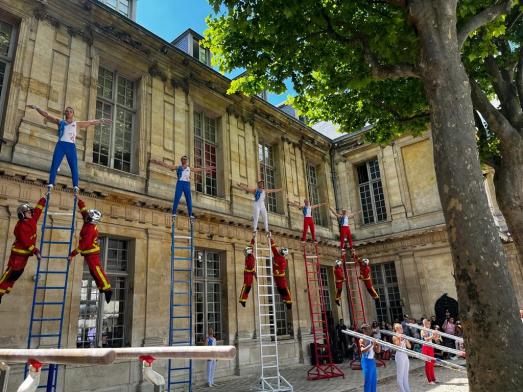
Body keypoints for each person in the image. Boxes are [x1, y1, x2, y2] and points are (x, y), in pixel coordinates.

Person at [26, 105, 112, 192]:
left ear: (73, 114)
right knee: (55, 164)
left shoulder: (77, 124)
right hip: (61, 145)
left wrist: (101, 121)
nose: (69, 112)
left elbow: (90, 122)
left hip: (71, 147)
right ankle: (51, 183)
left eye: (70, 111)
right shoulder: (60, 121)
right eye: (67, 111)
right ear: (65, 113)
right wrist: (36, 107)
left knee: (74, 167)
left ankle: (75, 185)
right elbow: (47, 115)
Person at [0, 196, 46, 302]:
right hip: (18, 255)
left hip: (25, 255)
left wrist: (44, 199)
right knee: (10, 273)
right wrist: (36, 251)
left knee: (17, 274)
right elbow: (26, 242)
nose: (30, 213)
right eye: (28, 212)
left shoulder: (32, 220)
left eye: (30, 212)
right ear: (22, 214)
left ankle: (3, 292)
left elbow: (38, 210)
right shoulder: (20, 226)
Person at [67, 199, 112, 304]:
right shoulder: (88, 221)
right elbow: (84, 212)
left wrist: (72, 254)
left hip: (91, 252)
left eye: (88, 216)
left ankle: (108, 289)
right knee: (93, 271)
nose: (86, 216)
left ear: (92, 219)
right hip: (89, 251)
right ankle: (101, 287)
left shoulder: (90, 229)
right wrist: (79, 201)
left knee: (97, 270)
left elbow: (84, 245)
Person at [152, 156, 215, 221]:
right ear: (181, 160)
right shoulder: (178, 167)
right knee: (177, 198)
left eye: (185, 159)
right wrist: (159, 162)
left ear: (186, 161)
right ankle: (174, 213)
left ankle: (190, 214)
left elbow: (198, 169)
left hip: (186, 184)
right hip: (180, 183)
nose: (185, 160)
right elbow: (168, 166)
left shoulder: (189, 168)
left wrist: (207, 168)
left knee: (189, 199)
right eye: (183, 159)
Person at [270, 238, 292, 309]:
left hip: (281, 278)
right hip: (276, 277)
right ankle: (285, 300)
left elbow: (281, 271)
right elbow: (273, 247)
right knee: (279, 290)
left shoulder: (283, 261)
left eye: (281, 251)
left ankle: (289, 302)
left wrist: (276, 272)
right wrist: (270, 238)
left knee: (284, 289)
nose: (279, 251)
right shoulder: (276, 255)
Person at [360, 323, 381, 392]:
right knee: (368, 381)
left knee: (373, 381)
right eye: (368, 329)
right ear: (364, 330)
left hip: (372, 361)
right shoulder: (362, 339)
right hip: (366, 361)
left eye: (370, 329)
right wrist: (370, 345)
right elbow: (362, 351)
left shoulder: (372, 339)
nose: (370, 330)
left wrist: (378, 345)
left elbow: (377, 351)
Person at [392, 323, 411, 392]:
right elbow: (397, 345)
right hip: (399, 356)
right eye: (400, 328)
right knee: (400, 376)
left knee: (405, 376)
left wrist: (405, 339)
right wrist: (400, 338)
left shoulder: (404, 335)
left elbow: (409, 346)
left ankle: (408, 390)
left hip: (405, 355)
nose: (402, 329)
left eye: (401, 327)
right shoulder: (394, 336)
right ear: (396, 329)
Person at [238, 234, 256, 307]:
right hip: (248, 273)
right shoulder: (249, 258)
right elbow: (251, 267)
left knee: (248, 287)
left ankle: (243, 299)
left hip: (250, 273)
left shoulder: (250, 254)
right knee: (247, 286)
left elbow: (251, 245)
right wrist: (255, 274)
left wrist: (253, 238)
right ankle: (242, 299)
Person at [421, 318, 437, 384]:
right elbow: (426, 339)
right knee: (428, 363)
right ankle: (429, 380)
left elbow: (435, 339)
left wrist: (436, 335)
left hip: (430, 346)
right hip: (425, 347)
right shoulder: (423, 330)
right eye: (428, 324)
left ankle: (433, 379)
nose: (430, 325)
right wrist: (433, 336)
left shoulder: (430, 330)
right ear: (425, 323)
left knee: (432, 363)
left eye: (430, 324)